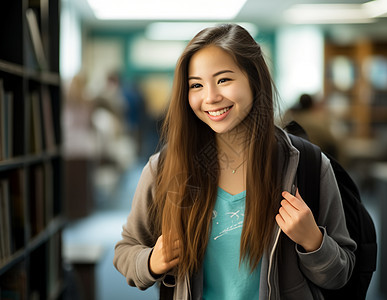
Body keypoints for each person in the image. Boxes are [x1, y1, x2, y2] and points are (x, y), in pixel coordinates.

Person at [113, 24, 356, 300]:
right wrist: (151, 262)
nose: (210, 97)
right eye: (196, 85)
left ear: (254, 80)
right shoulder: (164, 168)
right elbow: (126, 250)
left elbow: (341, 274)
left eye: (224, 80)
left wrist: (313, 242)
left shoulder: (308, 165)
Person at [283, 93, 338, 158]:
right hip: (315, 157)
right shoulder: (316, 121)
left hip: (295, 157)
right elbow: (332, 140)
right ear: (312, 105)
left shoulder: (291, 119)